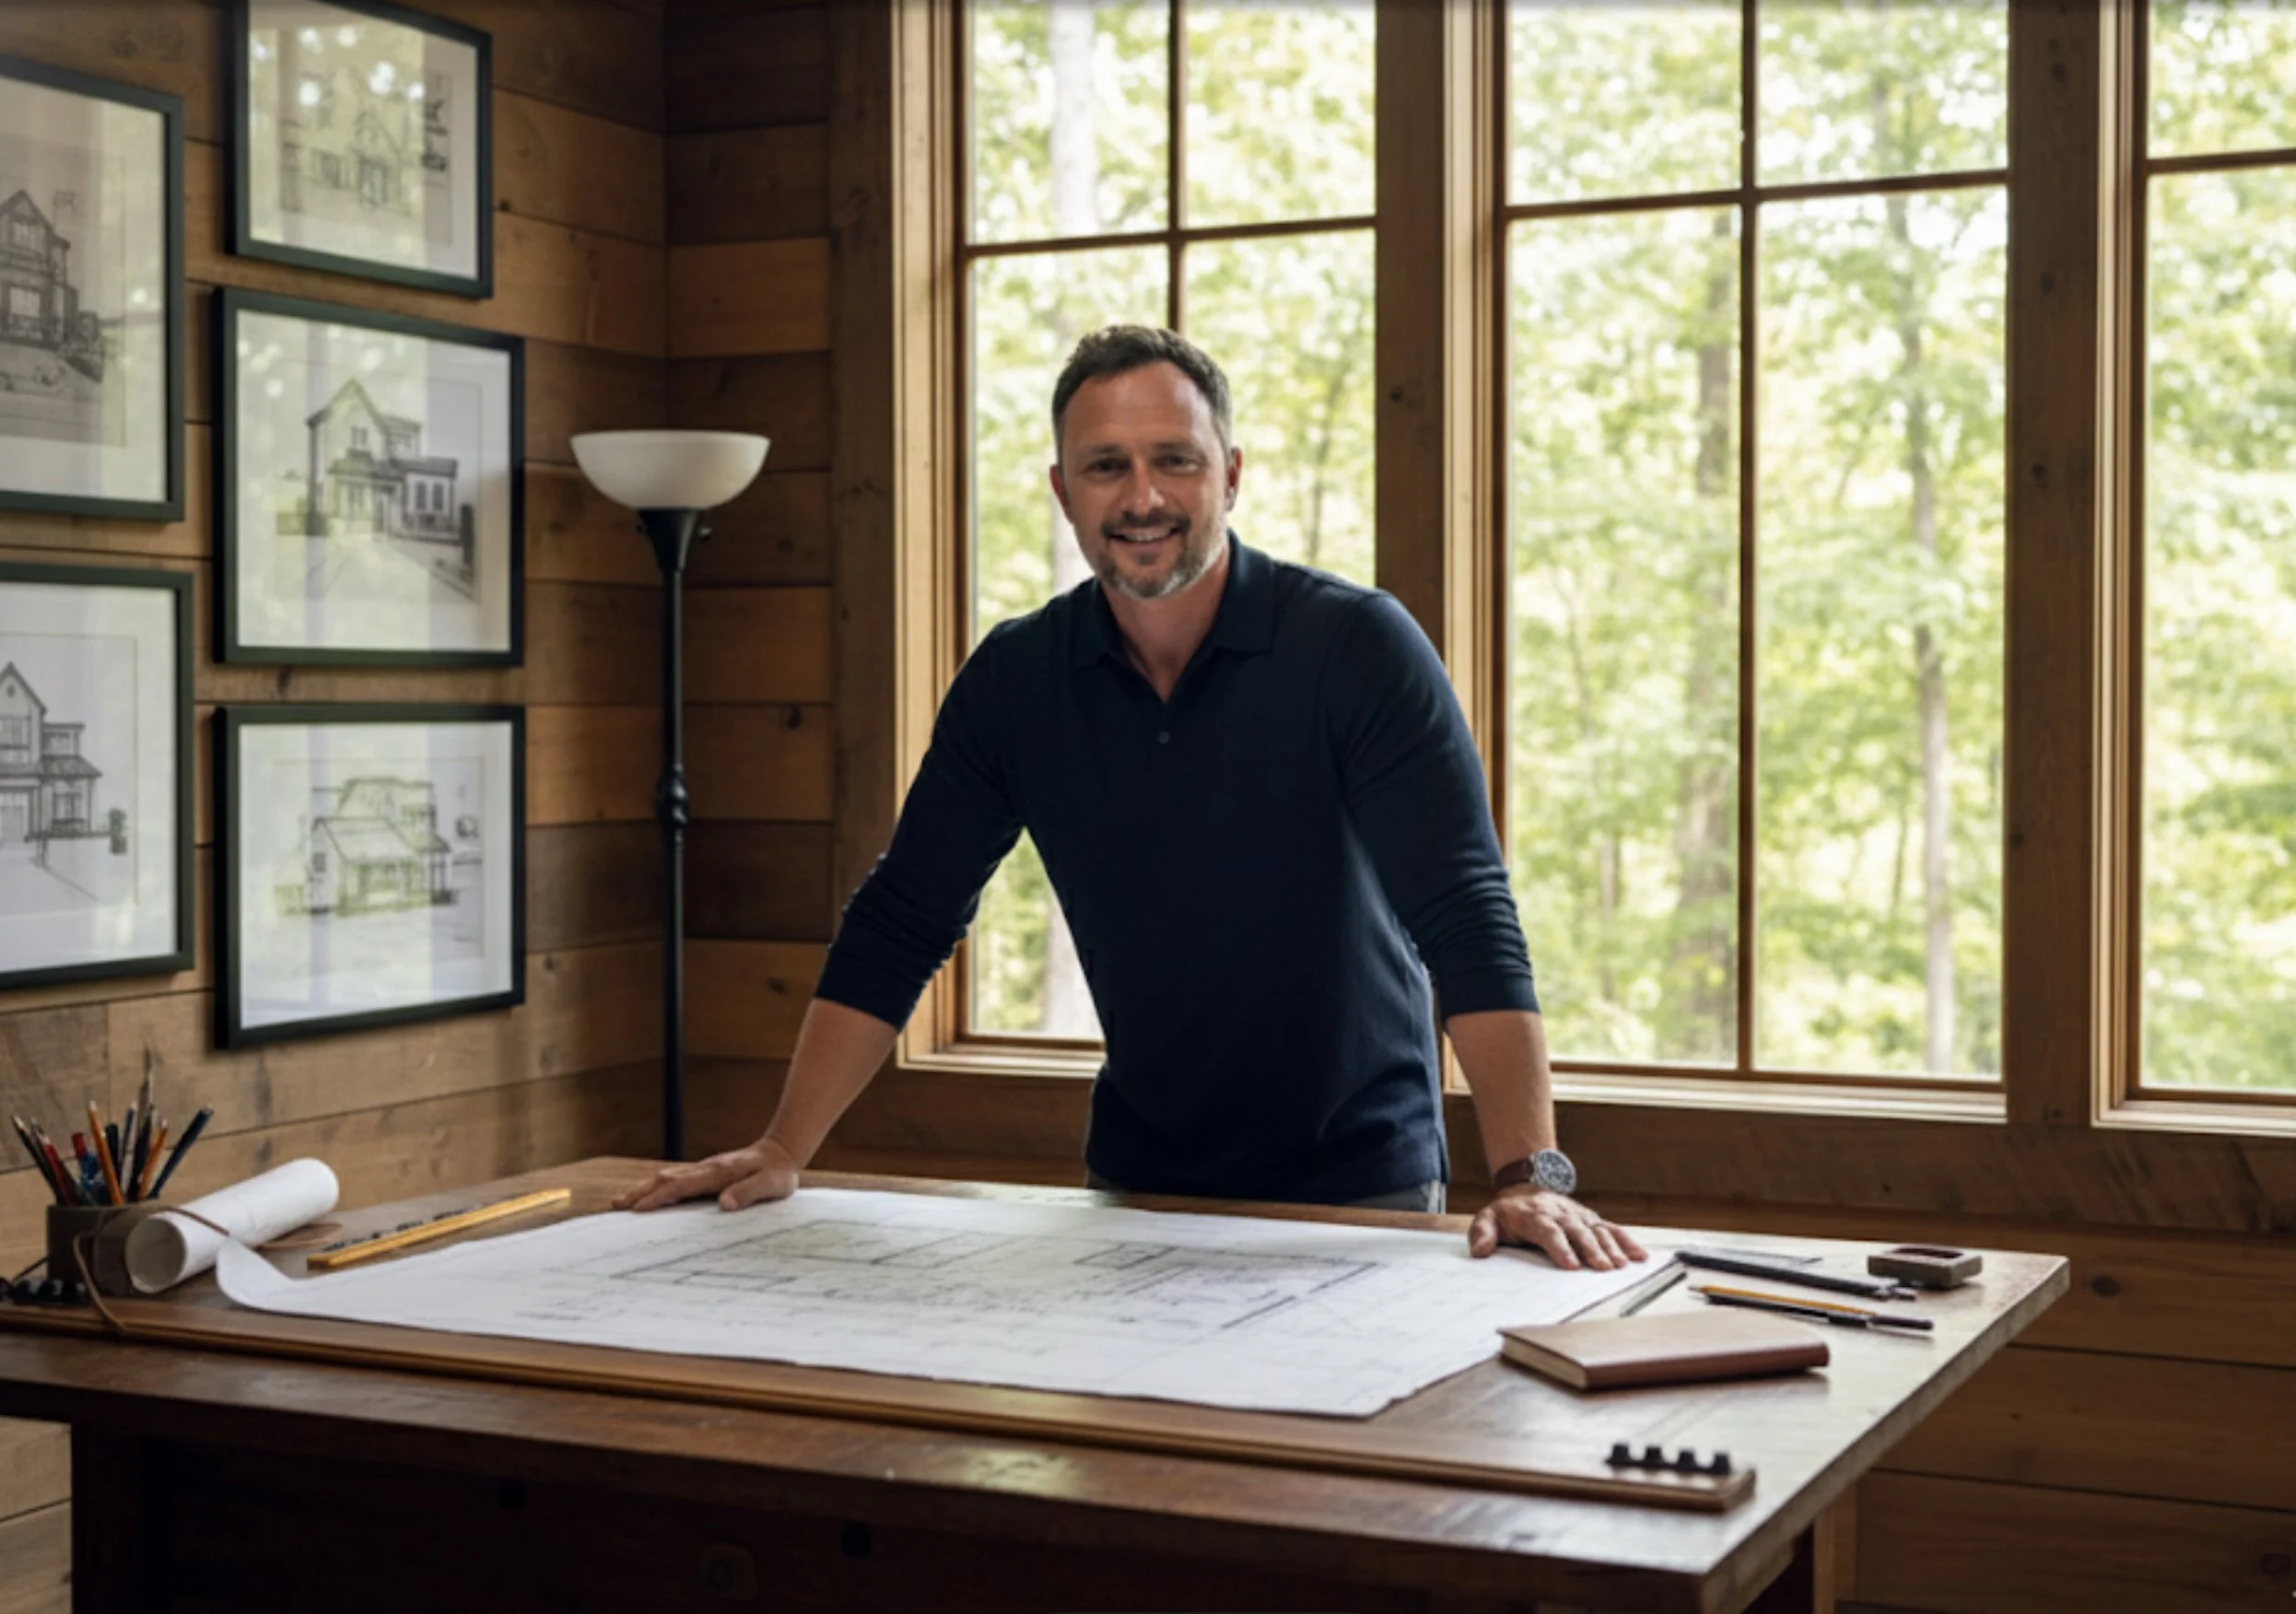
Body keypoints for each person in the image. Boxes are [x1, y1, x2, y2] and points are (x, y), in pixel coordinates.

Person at [618, 326, 1646, 1273]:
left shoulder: (1355, 650)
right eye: (1107, 466)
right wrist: (784, 1144)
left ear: (1229, 477)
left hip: (1359, 1187)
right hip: (1134, 1187)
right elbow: (903, 917)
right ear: (1063, 492)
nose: (1141, 496)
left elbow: (1465, 914)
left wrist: (1526, 1176)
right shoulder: (1016, 681)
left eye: (1174, 460)